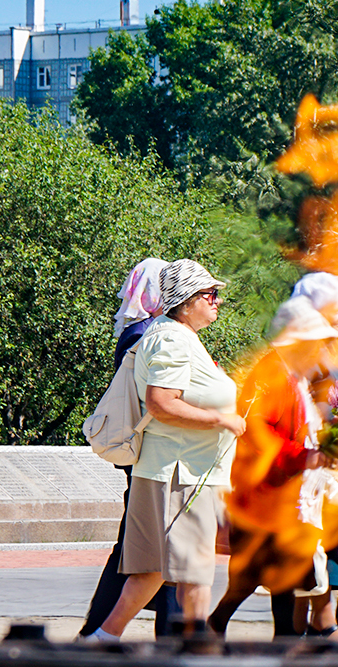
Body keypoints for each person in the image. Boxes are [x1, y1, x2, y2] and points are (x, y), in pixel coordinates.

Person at [88, 260, 243, 641]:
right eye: (209, 294)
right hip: (181, 474)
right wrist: (222, 420)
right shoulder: (172, 337)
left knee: (151, 572)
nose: (217, 301)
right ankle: (197, 655)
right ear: (186, 301)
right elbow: (161, 403)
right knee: (194, 574)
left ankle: (101, 641)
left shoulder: (174, 334)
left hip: (170, 470)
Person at [209, 297, 338, 638]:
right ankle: (218, 627)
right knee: (256, 575)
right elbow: (257, 431)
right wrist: (301, 456)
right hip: (263, 494)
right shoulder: (273, 374)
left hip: (277, 492)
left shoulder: (288, 373)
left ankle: (281, 637)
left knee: (279, 573)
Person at [78, 259, 182, 639]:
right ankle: (106, 631)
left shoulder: (138, 329)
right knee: (155, 548)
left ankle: (100, 630)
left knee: (147, 548)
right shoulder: (148, 332)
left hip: (148, 449)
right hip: (151, 449)